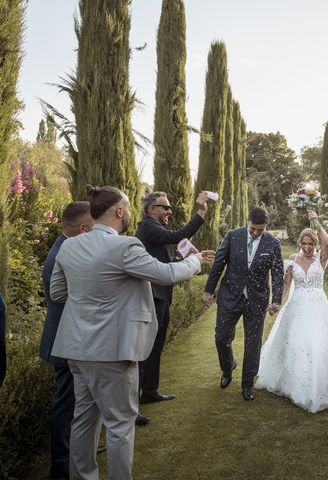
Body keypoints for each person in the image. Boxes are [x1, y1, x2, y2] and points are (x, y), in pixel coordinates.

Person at [50, 185, 211, 480]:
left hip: (76, 348)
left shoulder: (70, 246)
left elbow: (58, 292)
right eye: (128, 208)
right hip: (113, 350)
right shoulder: (124, 247)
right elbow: (167, 274)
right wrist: (195, 261)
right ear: (119, 211)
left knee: (83, 420)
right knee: (121, 423)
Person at [256, 211, 328, 412]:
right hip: (296, 306)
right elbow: (286, 286)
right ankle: (291, 382)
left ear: (315, 245)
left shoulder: (320, 260)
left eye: (310, 244)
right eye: (304, 244)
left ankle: (318, 385)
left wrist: (315, 221)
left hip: (317, 307)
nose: (307, 248)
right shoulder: (292, 260)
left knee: (317, 342)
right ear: (299, 243)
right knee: (294, 343)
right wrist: (275, 304)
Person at [135, 190, 209, 405]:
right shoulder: (148, 227)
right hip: (153, 295)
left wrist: (193, 258)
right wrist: (201, 212)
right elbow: (178, 236)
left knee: (156, 345)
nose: (169, 211)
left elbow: (165, 260)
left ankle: (149, 391)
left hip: (160, 295)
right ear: (152, 209)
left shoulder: (155, 229)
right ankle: (133, 403)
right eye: (165, 207)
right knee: (146, 349)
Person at [203, 206, 284, 401]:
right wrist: (208, 290)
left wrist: (276, 300)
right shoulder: (232, 236)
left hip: (258, 299)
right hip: (229, 295)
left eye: (260, 230)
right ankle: (227, 365)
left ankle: (247, 384)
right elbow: (219, 263)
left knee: (253, 342)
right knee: (221, 336)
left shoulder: (273, 243)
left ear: (266, 227)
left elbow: (278, 272)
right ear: (247, 222)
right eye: (253, 229)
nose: (256, 233)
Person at [39, 201, 94, 480]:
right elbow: (62, 299)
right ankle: (61, 464)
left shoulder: (65, 248)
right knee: (65, 404)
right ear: (83, 228)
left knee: (73, 402)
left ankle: (74, 453)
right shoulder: (62, 254)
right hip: (64, 341)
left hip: (67, 339)